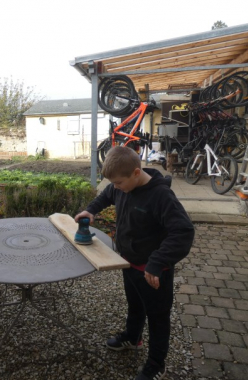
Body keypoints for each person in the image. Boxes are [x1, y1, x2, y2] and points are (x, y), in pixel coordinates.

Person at [75, 146, 194, 380]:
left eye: (120, 182)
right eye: (114, 183)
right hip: (129, 263)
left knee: (158, 317)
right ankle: (133, 338)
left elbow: (183, 232)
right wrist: (91, 210)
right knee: (135, 304)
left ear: (136, 173)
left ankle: (156, 364)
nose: (116, 187)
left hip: (154, 273)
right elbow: (108, 194)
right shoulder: (121, 186)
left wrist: (157, 262)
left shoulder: (161, 196)